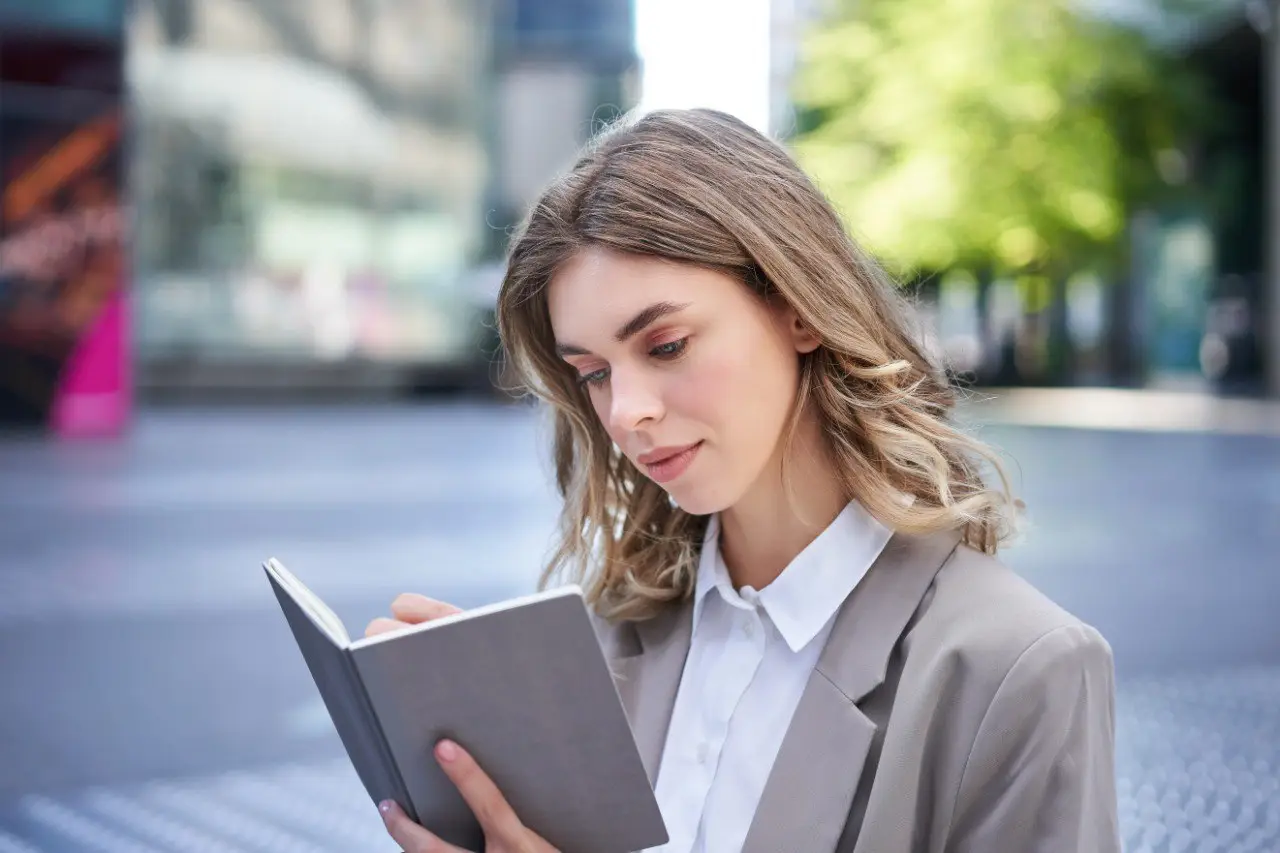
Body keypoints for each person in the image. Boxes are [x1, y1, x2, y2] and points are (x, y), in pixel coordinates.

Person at [366, 108, 1121, 853]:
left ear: (797, 308)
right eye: (592, 373)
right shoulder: (604, 642)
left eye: (665, 345)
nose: (625, 413)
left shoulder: (1018, 669)